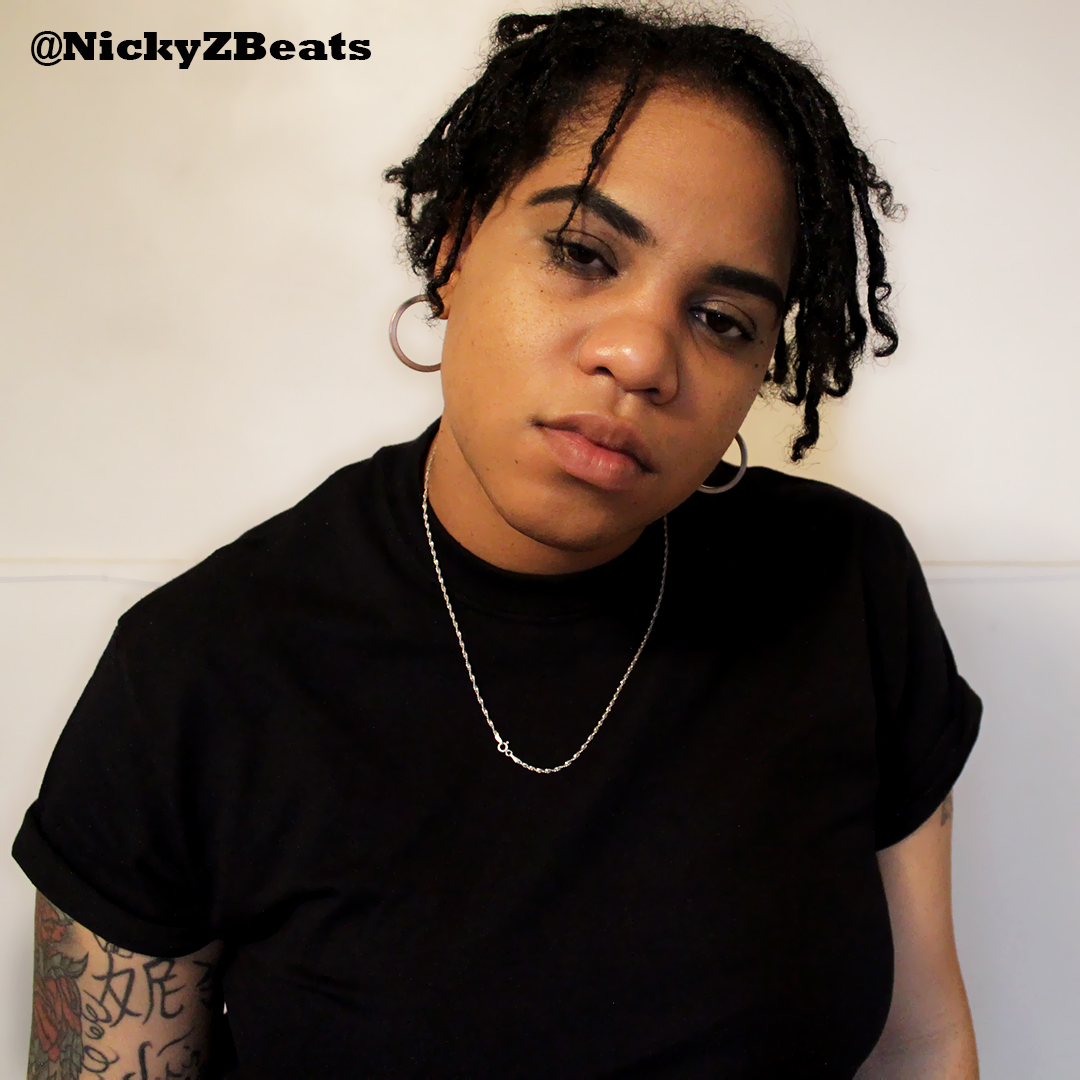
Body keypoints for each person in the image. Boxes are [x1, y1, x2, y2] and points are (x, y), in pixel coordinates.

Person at [14, 5, 982, 1077]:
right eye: (583, 253)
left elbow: (921, 1042)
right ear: (455, 246)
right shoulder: (195, 673)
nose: (640, 356)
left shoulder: (845, 589)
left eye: (722, 319)